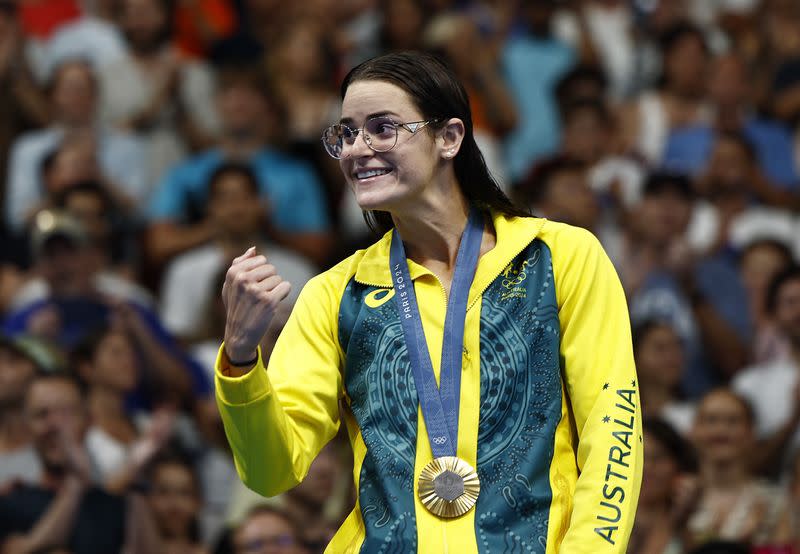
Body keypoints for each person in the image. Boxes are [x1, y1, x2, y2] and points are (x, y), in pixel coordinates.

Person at [215, 52, 642, 552]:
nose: (358, 149)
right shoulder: (336, 295)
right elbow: (272, 471)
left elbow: (612, 431)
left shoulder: (559, 258)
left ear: (450, 137)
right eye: (347, 133)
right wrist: (242, 358)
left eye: (382, 128)